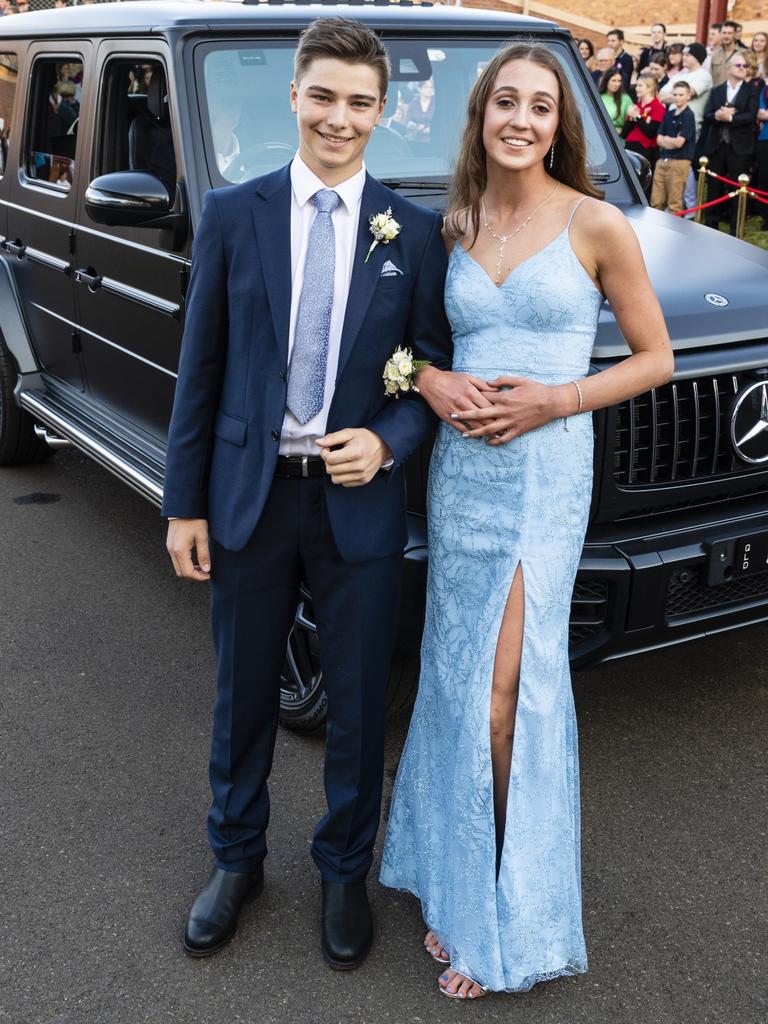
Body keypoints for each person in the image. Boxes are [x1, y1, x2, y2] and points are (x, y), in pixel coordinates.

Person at [380, 41, 673, 1000]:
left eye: (540, 107)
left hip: (546, 479)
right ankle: (453, 880)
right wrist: (431, 378)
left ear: (560, 124)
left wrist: (558, 399)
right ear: (481, 117)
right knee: (457, 682)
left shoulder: (597, 225)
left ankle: (505, 913)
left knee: (510, 696)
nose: (521, 119)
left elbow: (654, 359)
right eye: (504, 102)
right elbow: (409, 347)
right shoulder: (450, 227)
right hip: (463, 476)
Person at [163, 16, 452, 968]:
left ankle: (342, 870)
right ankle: (235, 860)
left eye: (359, 102)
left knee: (361, 703)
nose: (339, 117)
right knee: (242, 694)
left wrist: (388, 436)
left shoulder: (412, 232)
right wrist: (184, 505)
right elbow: (199, 371)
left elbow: (428, 374)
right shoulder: (233, 213)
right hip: (249, 497)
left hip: (356, 504)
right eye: (323, 96)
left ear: (383, 112)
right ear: (294, 95)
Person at [700, 50, 759, 232]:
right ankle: (710, 225)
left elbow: (751, 115)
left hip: (740, 147)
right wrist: (718, 115)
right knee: (714, 188)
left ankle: (736, 226)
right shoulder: (717, 90)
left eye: (745, 66)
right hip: (717, 145)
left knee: (737, 186)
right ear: (728, 68)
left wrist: (732, 118)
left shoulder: (751, 90)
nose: (742, 68)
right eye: (739, 65)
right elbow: (707, 115)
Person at [651, 81, 696, 213]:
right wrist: (670, 140)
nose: (678, 97)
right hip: (663, 159)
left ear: (688, 96)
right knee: (656, 201)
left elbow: (679, 143)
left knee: (674, 203)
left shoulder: (688, 115)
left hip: (680, 161)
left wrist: (666, 140)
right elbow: (658, 139)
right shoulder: (668, 114)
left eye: (681, 94)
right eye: (675, 94)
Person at [659, 43, 712, 134]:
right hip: (671, 122)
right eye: (683, 55)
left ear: (697, 58)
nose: (684, 57)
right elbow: (661, 96)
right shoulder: (679, 75)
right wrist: (680, 94)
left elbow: (688, 94)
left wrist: (673, 95)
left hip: (690, 125)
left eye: (688, 55)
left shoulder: (704, 75)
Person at [622, 72, 665, 169]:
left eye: (640, 85)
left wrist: (637, 117)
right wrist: (630, 117)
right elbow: (624, 134)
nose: (636, 88)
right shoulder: (636, 106)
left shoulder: (657, 107)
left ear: (650, 88)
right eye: (637, 85)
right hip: (629, 148)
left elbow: (650, 132)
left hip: (645, 151)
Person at [706, 19, 740, 87]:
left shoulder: (743, 53)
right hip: (718, 94)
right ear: (721, 34)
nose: (726, 36)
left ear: (735, 35)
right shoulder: (715, 54)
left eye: (729, 33)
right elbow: (710, 78)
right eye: (724, 33)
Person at [599, 66, 631, 131]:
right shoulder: (599, 97)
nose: (617, 84)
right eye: (614, 81)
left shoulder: (625, 99)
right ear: (606, 81)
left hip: (618, 136)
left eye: (619, 81)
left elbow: (630, 122)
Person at [756, 81, 768, 230]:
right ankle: (766, 217)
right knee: (764, 179)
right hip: (765, 139)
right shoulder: (765, 90)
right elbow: (760, 114)